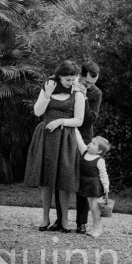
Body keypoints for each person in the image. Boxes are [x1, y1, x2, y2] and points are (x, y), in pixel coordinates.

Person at [24, 60, 85, 232]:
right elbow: (38, 112)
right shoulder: (48, 89)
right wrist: (47, 94)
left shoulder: (77, 94)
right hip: (46, 138)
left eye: (73, 79)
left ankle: (65, 221)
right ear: (59, 77)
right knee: (46, 181)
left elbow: (79, 121)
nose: (71, 82)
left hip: (65, 139)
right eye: (68, 80)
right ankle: (45, 219)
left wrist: (60, 121)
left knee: (63, 180)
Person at [52, 61, 103, 233]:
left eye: (92, 84)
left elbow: (90, 119)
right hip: (64, 134)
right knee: (62, 176)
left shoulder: (96, 93)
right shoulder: (66, 85)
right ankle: (61, 220)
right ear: (80, 75)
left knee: (84, 179)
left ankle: (81, 223)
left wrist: (85, 98)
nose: (89, 86)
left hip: (85, 137)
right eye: (86, 82)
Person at [75, 130, 110, 237]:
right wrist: (76, 128)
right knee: (91, 207)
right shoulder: (85, 152)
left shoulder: (99, 160)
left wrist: (106, 186)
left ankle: (97, 229)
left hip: (95, 187)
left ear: (99, 151)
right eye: (91, 142)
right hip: (86, 185)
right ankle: (95, 228)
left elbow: (103, 174)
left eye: (94, 144)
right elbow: (79, 141)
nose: (90, 144)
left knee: (95, 209)